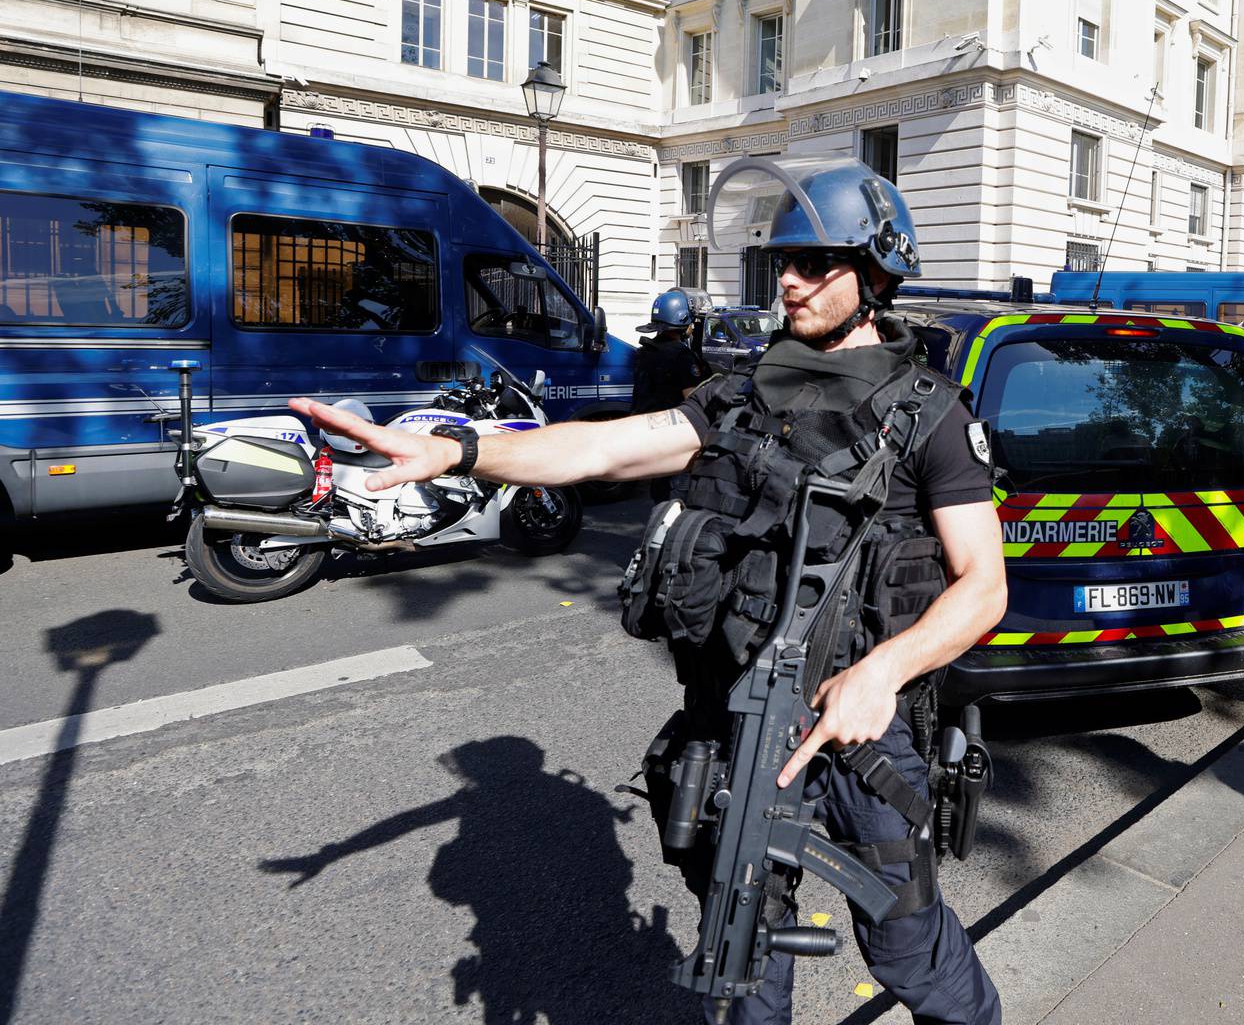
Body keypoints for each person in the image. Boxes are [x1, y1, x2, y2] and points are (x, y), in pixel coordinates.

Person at [288, 158, 1007, 1025]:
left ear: (877, 272)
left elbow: (982, 589)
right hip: (733, 718)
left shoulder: (930, 414)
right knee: (741, 954)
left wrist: (882, 673)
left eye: (815, 263)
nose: (788, 278)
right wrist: (465, 450)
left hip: (860, 734)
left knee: (910, 953)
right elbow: (602, 450)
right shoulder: (742, 392)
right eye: (783, 259)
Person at [630, 288, 712, 503]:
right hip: (674, 433)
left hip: (649, 429)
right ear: (682, 319)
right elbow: (693, 398)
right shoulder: (681, 356)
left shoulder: (646, 350)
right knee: (678, 492)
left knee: (660, 491)